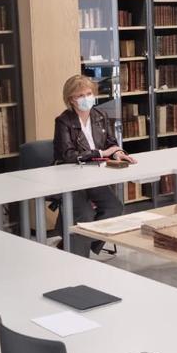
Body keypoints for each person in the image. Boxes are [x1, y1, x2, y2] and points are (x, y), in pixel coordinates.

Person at [53, 74, 132, 256]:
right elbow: (68, 155)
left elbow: (111, 143)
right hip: (70, 179)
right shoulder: (63, 121)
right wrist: (99, 153)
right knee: (86, 216)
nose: (86, 98)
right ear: (70, 100)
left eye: (89, 93)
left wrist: (118, 152)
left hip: (94, 176)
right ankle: (80, 261)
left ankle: (74, 245)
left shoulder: (100, 116)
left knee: (115, 207)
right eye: (80, 95)